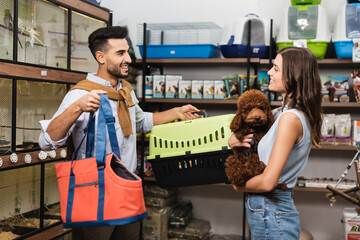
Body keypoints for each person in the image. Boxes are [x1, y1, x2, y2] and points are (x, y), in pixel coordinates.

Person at [38, 26, 200, 240]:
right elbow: (46, 142)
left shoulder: (126, 91)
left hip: (128, 189)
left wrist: (176, 112)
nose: (129, 59)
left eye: (128, 52)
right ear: (100, 57)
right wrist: (77, 107)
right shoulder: (80, 93)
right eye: (120, 53)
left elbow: (140, 122)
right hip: (94, 192)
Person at [228, 47, 322, 239]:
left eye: (276, 68)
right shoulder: (280, 114)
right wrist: (234, 142)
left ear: (294, 76)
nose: (269, 72)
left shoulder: (290, 119)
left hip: (272, 210)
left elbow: (268, 181)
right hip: (267, 210)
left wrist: (239, 186)